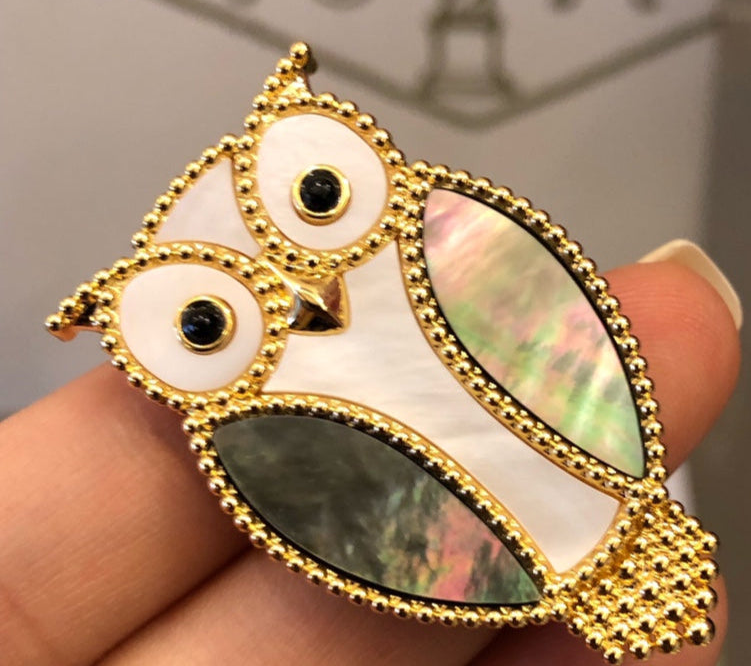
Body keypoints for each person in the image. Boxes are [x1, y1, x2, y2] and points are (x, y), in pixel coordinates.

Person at [0, 246, 740, 665]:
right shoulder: (247, 443)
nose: (294, 297)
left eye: (320, 194)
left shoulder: (443, 256)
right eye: (199, 325)